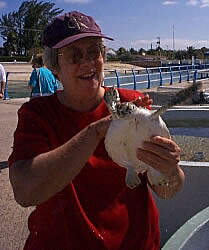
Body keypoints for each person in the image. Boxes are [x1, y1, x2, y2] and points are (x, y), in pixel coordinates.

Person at [8, 11, 184, 250]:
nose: (88, 62)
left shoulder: (133, 102)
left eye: (94, 51)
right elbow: (25, 192)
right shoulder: (37, 115)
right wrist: (95, 131)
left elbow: (167, 190)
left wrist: (170, 170)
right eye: (74, 55)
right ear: (54, 66)